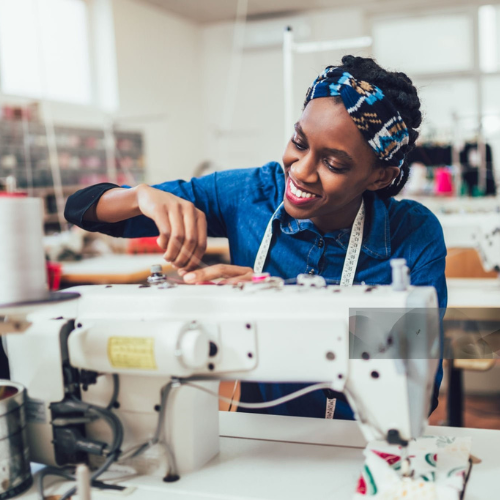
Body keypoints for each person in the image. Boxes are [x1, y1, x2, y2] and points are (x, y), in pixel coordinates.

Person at [65, 55, 446, 420]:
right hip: (256, 436)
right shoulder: (251, 194)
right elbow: (82, 208)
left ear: (380, 176)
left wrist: (279, 305)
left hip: (358, 438)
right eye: (299, 142)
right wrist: (140, 196)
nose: (301, 171)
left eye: (333, 163)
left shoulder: (413, 234)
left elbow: (419, 389)